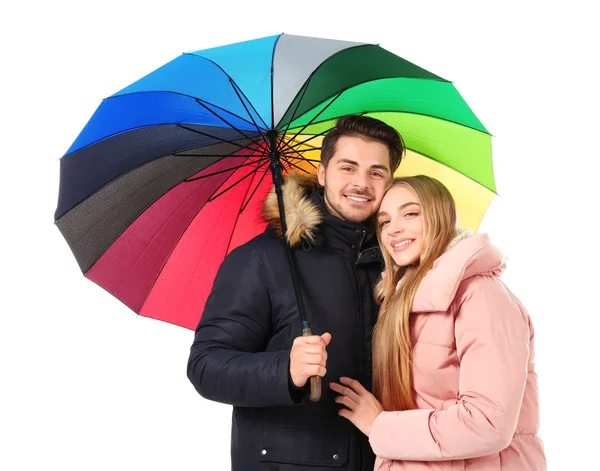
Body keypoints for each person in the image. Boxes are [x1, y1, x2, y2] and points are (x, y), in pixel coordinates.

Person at [187, 115, 405, 470]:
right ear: (322, 173)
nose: (362, 183)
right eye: (347, 168)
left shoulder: (397, 260)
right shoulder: (263, 259)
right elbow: (206, 366)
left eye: (376, 172)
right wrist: (284, 369)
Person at [330, 175, 546, 470]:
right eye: (384, 221)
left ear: (440, 215)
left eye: (410, 213)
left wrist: (380, 425)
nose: (394, 229)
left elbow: (487, 423)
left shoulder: (481, 295)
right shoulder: (403, 300)